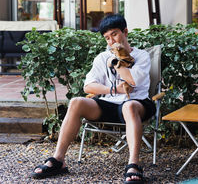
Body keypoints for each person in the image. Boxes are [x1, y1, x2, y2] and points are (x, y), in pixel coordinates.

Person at [32, 14, 155, 184]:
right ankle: (58, 160)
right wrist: (113, 89)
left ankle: (133, 164)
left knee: (129, 106)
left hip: (137, 104)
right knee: (76, 102)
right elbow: (88, 86)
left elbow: (133, 82)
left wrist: (118, 61)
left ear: (125, 32)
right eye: (107, 37)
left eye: (114, 34)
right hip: (109, 104)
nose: (111, 41)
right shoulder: (102, 57)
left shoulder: (142, 56)